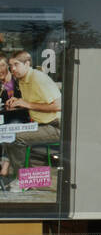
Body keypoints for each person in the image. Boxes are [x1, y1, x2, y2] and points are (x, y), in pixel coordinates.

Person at [0, 51, 61, 189]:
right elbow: (35, 100)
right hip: (40, 124)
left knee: (15, 137)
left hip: (56, 126)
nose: (13, 69)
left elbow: (59, 106)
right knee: (6, 132)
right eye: (11, 65)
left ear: (27, 64)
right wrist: (19, 100)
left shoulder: (38, 79)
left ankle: (22, 181)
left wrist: (27, 104)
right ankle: (27, 179)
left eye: (16, 64)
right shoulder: (22, 79)